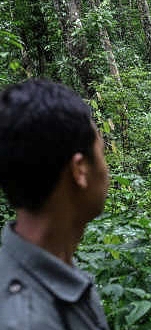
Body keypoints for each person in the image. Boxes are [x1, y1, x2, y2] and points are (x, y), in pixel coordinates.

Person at [0, 79, 110, 329]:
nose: (107, 170)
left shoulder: (54, 273)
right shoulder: (27, 320)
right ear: (79, 169)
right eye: (103, 153)